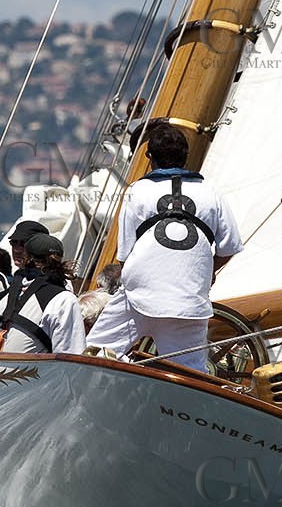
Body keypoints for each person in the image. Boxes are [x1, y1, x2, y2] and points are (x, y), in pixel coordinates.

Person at [86, 121, 243, 372]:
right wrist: (208, 271)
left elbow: (125, 255)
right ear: (185, 156)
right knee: (190, 373)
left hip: (139, 297)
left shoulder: (137, 191)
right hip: (189, 300)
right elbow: (229, 246)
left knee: (94, 352)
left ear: (149, 156)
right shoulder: (212, 192)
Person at [0, 234, 86, 354]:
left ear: (26, 257)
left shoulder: (5, 296)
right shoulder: (64, 300)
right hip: (28, 366)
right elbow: (70, 353)